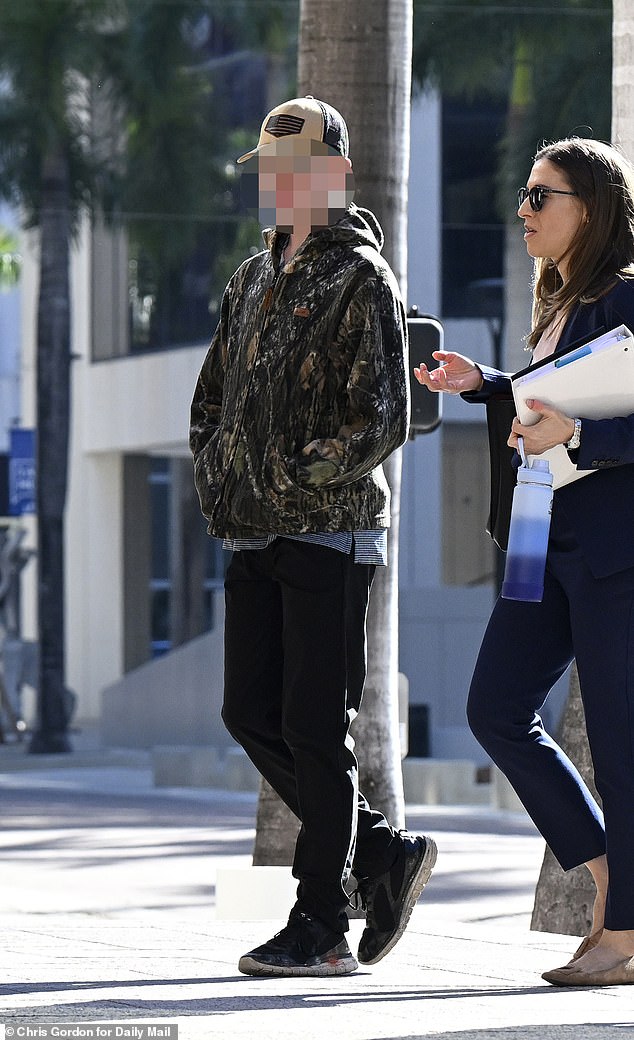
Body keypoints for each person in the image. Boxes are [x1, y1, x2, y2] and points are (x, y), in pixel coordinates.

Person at [190, 96, 436, 979]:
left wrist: (293, 476)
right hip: (253, 532)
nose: (281, 186)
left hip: (329, 535)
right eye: (270, 171)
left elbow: (383, 415)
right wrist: (221, 472)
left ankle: (322, 922)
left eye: (297, 169)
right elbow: (212, 397)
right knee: (249, 713)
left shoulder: (361, 276)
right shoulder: (252, 277)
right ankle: (380, 855)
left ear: (333, 172)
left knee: (311, 725)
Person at [415, 136, 634, 988]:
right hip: (543, 538)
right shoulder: (559, 300)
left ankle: (622, 934)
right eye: (525, 195)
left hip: (613, 551)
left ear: (592, 207)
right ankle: (611, 877)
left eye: (542, 197)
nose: (524, 212)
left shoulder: (623, 299)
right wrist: (489, 384)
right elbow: (559, 398)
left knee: (620, 744)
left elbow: (594, 417)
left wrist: (577, 431)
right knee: (496, 707)